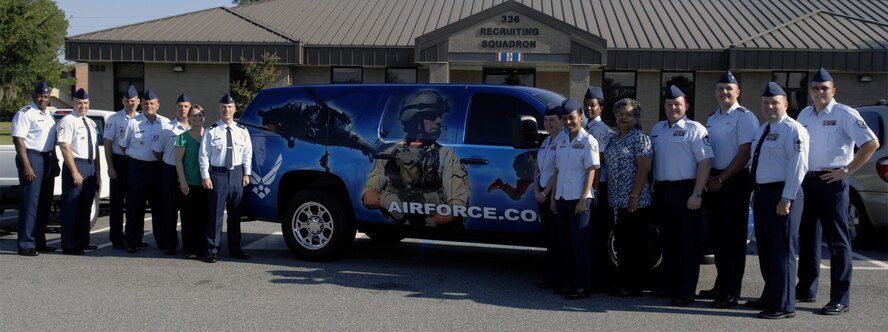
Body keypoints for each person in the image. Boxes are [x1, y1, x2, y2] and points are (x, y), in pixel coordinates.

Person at [796, 68, 879, 315]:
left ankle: (840, 298)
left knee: (838, 242)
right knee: (808, 238)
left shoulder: (845, 114)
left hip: (832, 181)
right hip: (807, 180)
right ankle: (806, 289)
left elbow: (871, 143)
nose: (819, 92)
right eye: (815, 88)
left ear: (833, 91)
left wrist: (848, 170)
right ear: (810, 91)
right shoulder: (804, 114)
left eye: (824, 88)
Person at [361, 90, 469, 227]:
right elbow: (367, 197)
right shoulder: (390, 155)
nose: (439, 121)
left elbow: (457, 206)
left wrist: (429, 222)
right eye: (431, 116)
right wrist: (386, 199)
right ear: (413, 119)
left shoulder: (445, 156)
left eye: (439, 116)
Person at [747, 82, 808, 319]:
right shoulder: (764, 128)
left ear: (786, 104)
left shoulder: (794, 130)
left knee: (782, 252)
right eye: (766, 103)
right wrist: (755, 195)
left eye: (775, 102)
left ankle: (783, 305)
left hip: (783, 194)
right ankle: (771, 295)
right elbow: (758, 164)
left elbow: (798, 167)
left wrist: (787, 198)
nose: (770, 106)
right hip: (763, 194)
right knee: (766, 250)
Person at [700, 71, 760, 308]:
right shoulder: (712, 117)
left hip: (733, 181)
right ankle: (721, 284)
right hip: (715, 180)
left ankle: (731, 292)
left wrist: (722, 178)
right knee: (718, 238)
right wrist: (710, 178)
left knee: (733, 240)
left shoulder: (745, 117)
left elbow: (744, 153)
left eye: (729, 89)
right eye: (720, 89)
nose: (724, 92)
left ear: (738, 92)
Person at [651, 85, 713, 306]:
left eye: (677, 104)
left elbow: (705, 162)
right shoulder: (657, 129)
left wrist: (697, 193)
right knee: (668, 242)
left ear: (686, 106)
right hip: (663, 191)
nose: (672, 108)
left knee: (688, 244)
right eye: (669, 104)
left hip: (686, 191)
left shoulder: (696, 129)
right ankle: (670, 285)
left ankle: (686, 290)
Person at [550, 98, 599, 299]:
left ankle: (583, 285)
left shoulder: (589, 141)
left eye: (572, 118)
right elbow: (558, 170)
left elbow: (591, 171)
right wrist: (553, 198)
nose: (569, 122)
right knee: (566, 242)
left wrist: (582, 199)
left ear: (581, 118)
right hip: (562, 198)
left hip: (580, 200)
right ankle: (569, 283)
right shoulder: (561, 141)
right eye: (565, 119)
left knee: (581, 245)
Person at [604, 98, 654, 297]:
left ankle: (635, 286)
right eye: (620, 114)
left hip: (636, 201)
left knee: (636, 245)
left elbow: (644, 168)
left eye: (628, 114)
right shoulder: (613, 139)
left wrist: (634, 196)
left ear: (636, 118)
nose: (623, 118)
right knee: (622, 244)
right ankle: (623, 282)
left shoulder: (640, 138)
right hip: (616, 200)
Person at [199, 93, 253, 263]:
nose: (226, 110)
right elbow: (203, 155)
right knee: (215, 214)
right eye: (223, 107)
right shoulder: (211, 130)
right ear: (219, 110)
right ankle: (212, 249)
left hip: (237, 174)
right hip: (217, 174)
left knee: (235, 213)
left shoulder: (242, 131)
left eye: (229, 107)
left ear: (235, 109)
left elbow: (247, 153)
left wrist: (247, 173)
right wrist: (205, 176)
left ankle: (235, 248)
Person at [11, 81, 58, 256]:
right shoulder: (25, 113)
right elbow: (19, 140)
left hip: (47, 159)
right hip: (31, 157)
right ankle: (26, 244)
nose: (42, 99)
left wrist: (56, 162)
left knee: (44, 204)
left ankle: (39, 240)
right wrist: (27, 166)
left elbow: (51, 141)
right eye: (40, 96)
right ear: (34, 95)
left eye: (45, 96)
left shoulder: (49, 115)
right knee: (30, 203)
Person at [119, 89, 169, 253]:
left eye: (152, 103)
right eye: (146, 103)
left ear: (158, 105)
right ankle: (133, 241)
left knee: (159, 206)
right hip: (138, 167)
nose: (149, 106)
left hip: (158, 167)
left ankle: (162, 240)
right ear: (142, 104)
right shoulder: (132, 122)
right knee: (135, 205)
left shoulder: (165, 122)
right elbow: (122, 145)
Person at [56, 88, 101, 255]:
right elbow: (65, 147)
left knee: (85, 207)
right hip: (76, 164)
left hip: (89, 166)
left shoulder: (90, 122)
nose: (82, 106)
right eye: (79, 103)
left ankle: (83, 241)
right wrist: (74, 172)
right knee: (71, 206)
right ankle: (69, 244)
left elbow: (94, 148)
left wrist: (96, 172)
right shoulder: (68, 121)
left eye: (85, 103)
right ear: (73, 103)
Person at [583, 85, 616, 292]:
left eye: (592, 105)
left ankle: (600, 280)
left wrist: (593, 192)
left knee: (597, 236)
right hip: (589, 186)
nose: (588, 109)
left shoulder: (601, 131)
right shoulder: (586, 127)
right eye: (586, 105)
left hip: (598, 187)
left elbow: (598, 163)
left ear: (601, 107)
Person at [104, 85, 142, 249]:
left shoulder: (142, 119)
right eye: (127, 101)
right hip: (119, 161)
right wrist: (110, 166)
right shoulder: (114, 119)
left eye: (133, 101)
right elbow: (107, 144)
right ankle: (117, 238)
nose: (130, 103)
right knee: (117, 203)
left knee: (135, 202)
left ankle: (134, 237)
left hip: (135, 162)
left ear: (138, 101)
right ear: (122, 101)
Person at [152, 93, 191, 255]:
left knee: (189, 209)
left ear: (190, 108)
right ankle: (170, 244)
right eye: (180, 106)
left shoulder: (196, 128)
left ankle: (190, 243)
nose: (183, 109)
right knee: (169, 209)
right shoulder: (167, 128)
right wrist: (168, 163)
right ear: (175, 108)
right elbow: (157, 151)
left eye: (186, 106)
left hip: (189, 173)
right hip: (170, 171)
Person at [533, 102, 565, 290]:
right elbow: (538, 167)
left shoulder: (563, 141)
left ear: (561, 121)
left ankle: (558, 278)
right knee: (549, 237)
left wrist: (546, 193)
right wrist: (537, 189)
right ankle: (550, 277)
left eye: (552, 120)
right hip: (542, 193)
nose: (548, 123)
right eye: (545, 120)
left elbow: (558, 170)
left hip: (553, 195)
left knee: (557, 238)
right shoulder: (547, 141)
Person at [176, 104, 209, 260]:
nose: (197, 118)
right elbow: (178, 161)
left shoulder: (209, 135)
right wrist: (183, 181)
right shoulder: (182, 137)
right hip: (189, 183)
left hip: (205, 184)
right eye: (194, 115)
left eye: (200, 115)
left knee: (203, 217)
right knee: (189, 218)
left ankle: (203, 247)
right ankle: (189, 248)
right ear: (189, 118)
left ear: (204, 117)